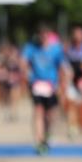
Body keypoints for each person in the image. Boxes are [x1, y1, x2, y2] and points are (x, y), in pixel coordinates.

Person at [21, 25, 70, 154]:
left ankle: (47, 135)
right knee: (38, 112)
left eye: (45, 34)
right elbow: (23, 62)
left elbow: (62, 67)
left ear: (48, 35)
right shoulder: (31, 48)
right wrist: (26, 73)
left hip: (51, 86)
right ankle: (39, 141)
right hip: (36, 84)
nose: (42, 37)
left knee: (50, 115)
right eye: (40, 34)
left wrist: (62, 84)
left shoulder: (56, 49)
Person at [64, 26, 82, 138]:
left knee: (79, 105)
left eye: (80, 34)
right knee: (71, 104)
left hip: (81, 81)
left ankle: (78, 124)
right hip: (71, 80)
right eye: (76, 34)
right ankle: (71, 127)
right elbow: (64, 63)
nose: (78, 37)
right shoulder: (68, 48)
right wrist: (66, 73)